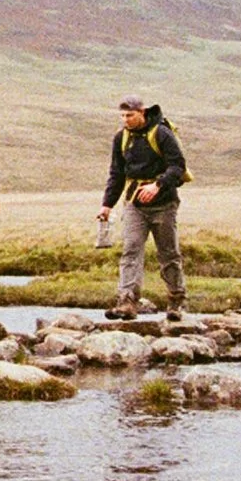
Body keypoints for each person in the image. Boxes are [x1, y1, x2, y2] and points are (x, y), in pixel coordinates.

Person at [99, 97, 189, 319]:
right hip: (134, 203)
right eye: (122, 116)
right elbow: (117, 173)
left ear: (142, 113)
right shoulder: (121, 138)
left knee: (168, 253)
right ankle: (127, 302)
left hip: (164, 203)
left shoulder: (161, 134)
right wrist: (107, 205)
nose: (125, 120)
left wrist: (157, 185)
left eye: (129, 115)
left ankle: (176, 301)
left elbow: (178, 166)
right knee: (131, 250)